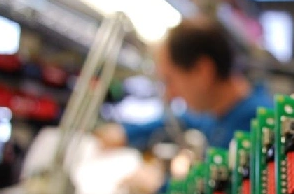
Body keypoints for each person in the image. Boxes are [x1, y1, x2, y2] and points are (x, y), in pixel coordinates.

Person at [95, 18, 271, 151]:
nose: (170, 95)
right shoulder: (220, 113)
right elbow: (183, 119)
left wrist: (159, 184)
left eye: (170, 80)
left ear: (202, 71)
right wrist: (126, 133)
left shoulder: (253, 126)